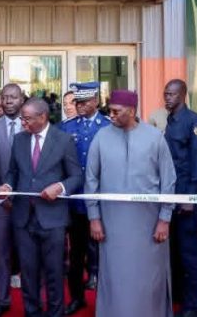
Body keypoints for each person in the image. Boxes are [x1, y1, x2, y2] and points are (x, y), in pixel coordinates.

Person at [85, 89, 176, 317]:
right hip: (111, 223)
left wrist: (164, 219)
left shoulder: (155, 137)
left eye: (116, 111)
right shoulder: (101, 137)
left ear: (132, 111)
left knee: (149, 277)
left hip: (149, 224)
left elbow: (168, 181)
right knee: (115, 276)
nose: (111, 115)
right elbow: (91, 179)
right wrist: (94, 218)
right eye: (110, 111)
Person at [0, 98, 82, 317]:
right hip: (23, 218)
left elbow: (76, 176)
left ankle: (55, 313)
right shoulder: (19, 140)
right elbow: (13, 172)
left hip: (53, 218)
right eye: (22, 119)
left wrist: (60, 187)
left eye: (26, 119)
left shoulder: (63, 140)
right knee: (28, 273)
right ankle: (32, 312)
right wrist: (7, 186)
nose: (22, 123)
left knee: (54, 272)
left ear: (42, 117)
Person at [60, 81, 110, 313]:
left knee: (105, 252)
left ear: (96, 101)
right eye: (77, 102)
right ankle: (77, 297)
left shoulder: (108, 126)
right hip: (76, 200)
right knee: (77, 253)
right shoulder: (67, 127)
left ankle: (107, 300)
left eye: (84, 101)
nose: (79, 105)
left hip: (103, 199)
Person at [163, 79, 197, 317]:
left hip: (185, 197)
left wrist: (190, 197)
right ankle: (179, 298)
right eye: (165, 94)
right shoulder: (170, 121)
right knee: (173, 250)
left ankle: (193, 305)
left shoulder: (194, 122)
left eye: (171, 94)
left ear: (182, 95)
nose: (167, 98)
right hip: (169, 196)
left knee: (189, 252)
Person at [0, 83, 25, 317]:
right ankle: (2, 300)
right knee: (1, 253)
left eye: (13, 97)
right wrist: (0, 194)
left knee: (29, 252)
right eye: (5, 97)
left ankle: (32, 302)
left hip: (28, 201)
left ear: (22, 99)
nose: (8, 101)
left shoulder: (33, 124)